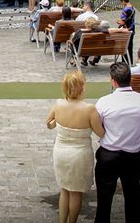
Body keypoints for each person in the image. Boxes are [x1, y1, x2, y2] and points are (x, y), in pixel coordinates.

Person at [94, 62, 140, 223]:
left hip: (109, 154)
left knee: (104, 200)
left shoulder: (104, 102)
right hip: (132, 154)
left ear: (113, 81)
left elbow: (99, 125)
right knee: (133, 197)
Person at [46, 71, 105, 223]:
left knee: (64, 189)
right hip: (80, 154)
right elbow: (101, 133)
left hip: (61, 152)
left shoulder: (58, 104)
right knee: (76, 192)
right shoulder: (89, 109)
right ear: (82, 88)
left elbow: (49, 123)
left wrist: (58, 123)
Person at [117, 0, 136, 66]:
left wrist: (118, 21)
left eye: (121, 2)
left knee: (124, 46)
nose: (121, 3)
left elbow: (123, 21)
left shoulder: (125, 9)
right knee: (130, 46)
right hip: (132, 29)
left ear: (124, 1)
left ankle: (124, 62)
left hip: (126, 30)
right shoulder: (132, 8)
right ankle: (130, 61)